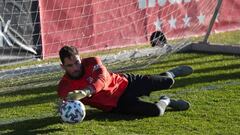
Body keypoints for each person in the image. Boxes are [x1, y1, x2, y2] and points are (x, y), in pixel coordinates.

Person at [58, 45, 193, 117]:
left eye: (77, 62)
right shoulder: (64, 86)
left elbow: (102, 79)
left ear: (80, 58)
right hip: (117, 105)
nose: (76, 67)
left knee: (168, 82)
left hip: (126, 83)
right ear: (63, 67)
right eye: (70, 65)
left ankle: (170, 74)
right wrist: (62, 106)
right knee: (157, 111)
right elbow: (64, 101)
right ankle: (167, 100)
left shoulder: (93, 61)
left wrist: (86, 91)